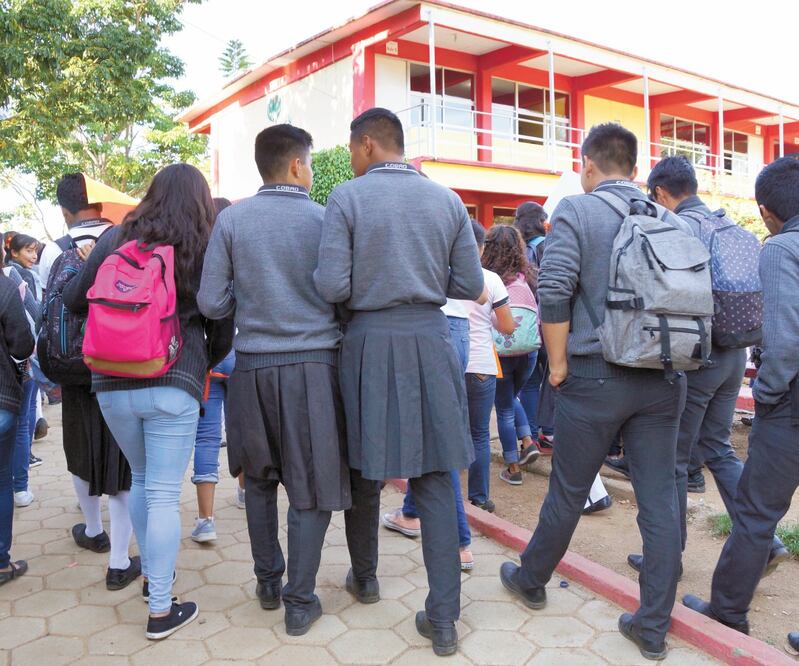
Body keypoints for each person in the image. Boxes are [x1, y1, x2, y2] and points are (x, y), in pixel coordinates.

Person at [500, 123, 691, 661]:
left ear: (587, 164)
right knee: (658, 501)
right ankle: (652, 625)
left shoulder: (577, 213)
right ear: (634, 169)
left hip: (595, 374)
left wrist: (557, 365)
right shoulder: (667, 217)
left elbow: (555, 290)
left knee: (568, 489)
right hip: (663, 378)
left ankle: (532, 579)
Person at [315, 108, 483, 657]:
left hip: (368, 340)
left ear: (367, 144)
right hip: (431, 339)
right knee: (434, 476)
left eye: (351, 148)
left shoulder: (347, 198)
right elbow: (470, 283)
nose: (351, 158)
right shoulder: (447, 200)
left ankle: (365, 579)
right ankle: (444, 619)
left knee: (365, 466)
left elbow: (332, 283)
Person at [63, 164, 234, 640]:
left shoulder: (117, 237)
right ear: (200, 200)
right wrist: (203, 359)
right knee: (160, 491)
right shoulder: (203, 244)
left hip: (110, 380)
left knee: (141, 480)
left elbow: (77, 298)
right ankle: (160, 607)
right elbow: (221, 318)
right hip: (172, 378)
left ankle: (156, 577)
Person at [198, 125, 355, 637]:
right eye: (308, 163)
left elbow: (211, 303)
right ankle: (299, 600)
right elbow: (343, 293)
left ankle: (269, 583)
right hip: (314, 367)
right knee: (310, 487)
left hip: (252, 369)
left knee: (259, 481)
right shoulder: (324, 218)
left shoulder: (233, 221)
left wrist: (250, 303)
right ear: (296, 166)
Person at [626, 156, 788, 576]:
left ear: (661, 193)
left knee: (674, 459)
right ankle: (763, 541)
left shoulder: (682, 228)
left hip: (699, 359)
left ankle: (667, 560)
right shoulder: (729, 226)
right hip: (736, 354)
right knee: (716, 446)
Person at [682, 157, 799, 636]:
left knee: (755, 513)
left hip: (791, 403)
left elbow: (787, 342)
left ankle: (729, 612)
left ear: (766, 210)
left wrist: (769, 393)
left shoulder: (782, 249)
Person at [45, 174, 138, 593]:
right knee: (120, 463)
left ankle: (92, 528)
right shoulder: (126, 238)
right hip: (119, 365)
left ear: (64, 210)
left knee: (80, 450)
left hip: (73, 369)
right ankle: (120, 561)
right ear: (100, 205)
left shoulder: (50, 251)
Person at [380, 293, 476, 571]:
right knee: (437, 439)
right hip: (451, 326)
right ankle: (411, 513)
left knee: (440, 446)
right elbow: (475, 284)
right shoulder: (462, 249)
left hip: (429, 323)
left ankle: (460, 544)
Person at [190, 197, 236, 545]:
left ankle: (206, 520)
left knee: (206, 436)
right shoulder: (244, 250)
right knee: (243, 428)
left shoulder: (201, 257)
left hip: (211, 359)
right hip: (245, 353)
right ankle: (248, 492)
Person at [481, 224, 540, 485]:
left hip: (500, 353)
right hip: (528, 354)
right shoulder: (527, 278)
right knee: (511, 398)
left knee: (504, 407)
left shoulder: (487, 280)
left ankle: (513, 468)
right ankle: (527, 440)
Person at [464, 220, 514, 512]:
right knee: (479, 433)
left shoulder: (439, 275)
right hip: (482, 363)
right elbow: (506, 326)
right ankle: (479, 498)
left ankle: (443, 496)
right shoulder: (490, 279)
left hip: (448, 364)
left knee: (447, 430)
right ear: (481, 249)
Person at [0, 254, 36, 586]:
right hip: (1, 400)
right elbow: (23, 344)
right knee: (1, 482)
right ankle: (0, 563)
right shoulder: (5, 287)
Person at [513, 202, 555, 452]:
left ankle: (530, 435)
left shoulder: (517, 249)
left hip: (524, 326)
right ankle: (549, 432)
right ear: (540, 220)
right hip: (549, 323)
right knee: (553, 377)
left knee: (530, 382)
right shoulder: (549, 246)